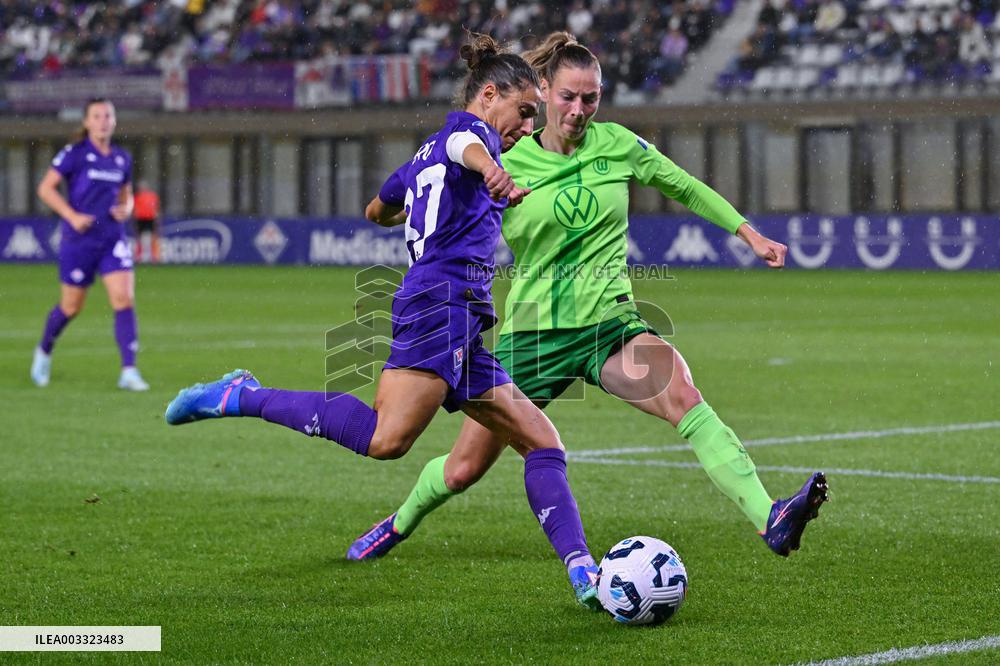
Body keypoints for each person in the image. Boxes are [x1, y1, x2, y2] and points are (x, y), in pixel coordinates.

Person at [348, 32, 829, 570]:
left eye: (592, 98)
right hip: (531, 339)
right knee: (462, 469)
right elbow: (435, 200)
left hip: (609, 326)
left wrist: (749, 234)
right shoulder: (502, 156)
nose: (579, 110)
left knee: (685, 398)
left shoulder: (618, 145)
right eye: (569, 97)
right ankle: (399, 522)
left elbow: (686, 186)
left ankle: (770, 517)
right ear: (544, 91)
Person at [164, 35, 603, 608]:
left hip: (462, 317)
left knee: (543, 443)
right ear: (488, 95)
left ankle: (583, 573)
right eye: (523, 111)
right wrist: (492, 175)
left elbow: (376, 209)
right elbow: (470, 147)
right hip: (437, 304)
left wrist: (405, 208)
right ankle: (240, 396)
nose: (527, 124)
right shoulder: (469, 139)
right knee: (385, 438)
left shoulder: (427, 152)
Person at [31, 98, 149, 391]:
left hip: (112, 238)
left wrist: (128, 207)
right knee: (71, 306)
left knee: (123, 298)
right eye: (97, 116)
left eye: (108, 115)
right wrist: (71, 215)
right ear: (86, 122)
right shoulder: (75, 154)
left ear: (114, 120)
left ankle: (129, 370)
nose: (103, 121)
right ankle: (44, 351)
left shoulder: (121, 158)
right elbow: (45, 188)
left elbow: (126, 194)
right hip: (79, 240)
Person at [133, 180, 161, 263]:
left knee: (153, 238)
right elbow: (135, 209)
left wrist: (157, 218)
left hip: (150, 218)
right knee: (139, 238)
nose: (141, 188)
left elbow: (156, 208)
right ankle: (139, 257)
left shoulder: (152, 196)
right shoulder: (137, 197)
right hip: (141, 219)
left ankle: (155, 257)